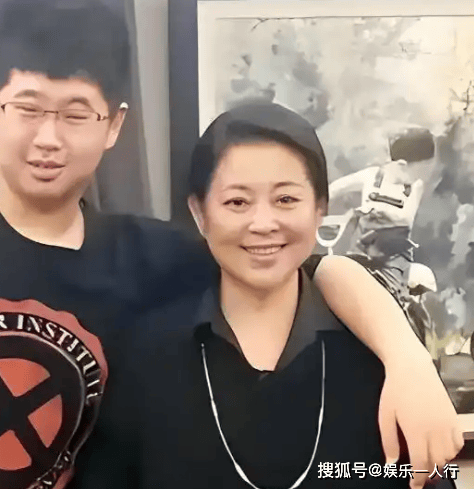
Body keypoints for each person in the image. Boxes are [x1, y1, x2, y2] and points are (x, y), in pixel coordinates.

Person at [0, 1, 461, 489]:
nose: (48, 138)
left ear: (114, 124)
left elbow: (302, 263)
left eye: (75, 113)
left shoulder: (151, 259)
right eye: (27, 107)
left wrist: (408, 359)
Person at [84, 102, 458, 489]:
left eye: (285, 200)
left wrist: (408, 360)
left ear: (320, 209)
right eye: (237, 202)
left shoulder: (380, 357)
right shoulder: (147, 356)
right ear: (199, 213)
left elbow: (427, 477)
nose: (263, 224)